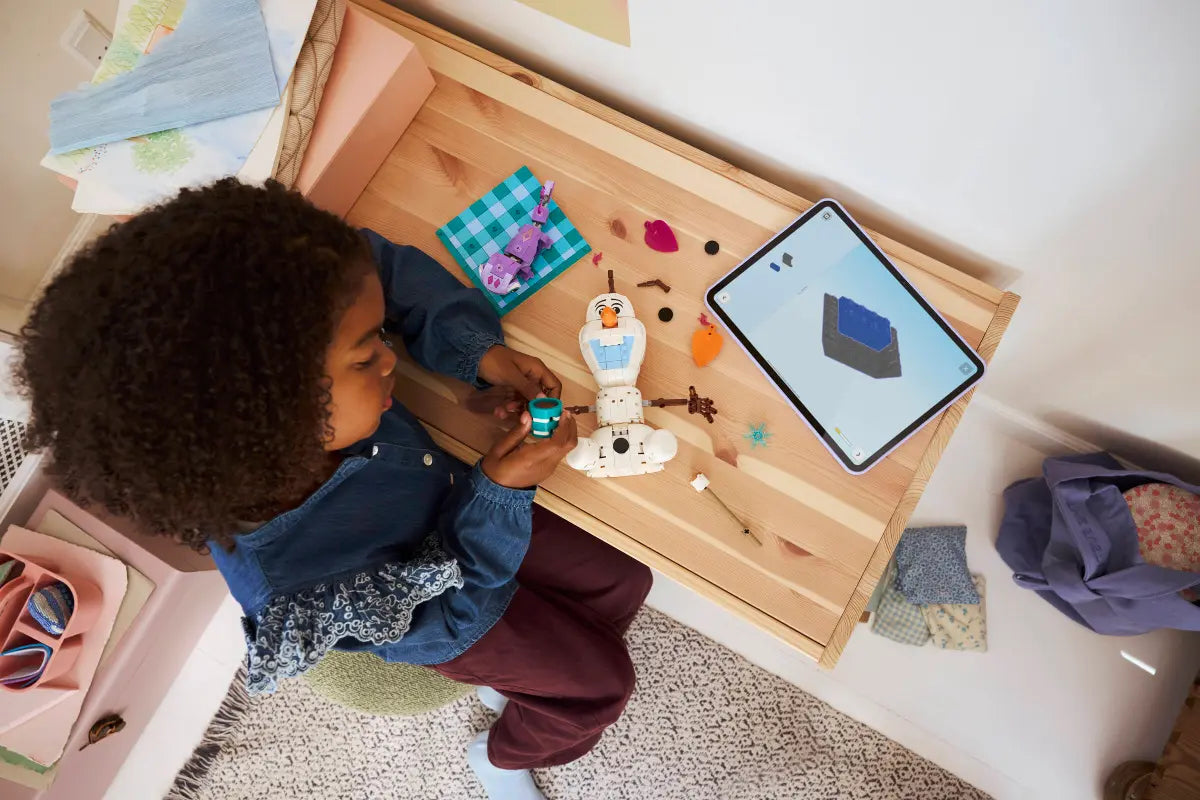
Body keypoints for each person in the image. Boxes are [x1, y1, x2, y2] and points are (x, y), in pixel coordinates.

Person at [16, 178, 652, 799]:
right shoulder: (291, 583)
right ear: (275, 422)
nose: (389, 357)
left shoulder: (299, 313)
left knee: (625, 577)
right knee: (599, 686)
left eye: (376, 338)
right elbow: (447, 618)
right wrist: (500, 492)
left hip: (461, 506)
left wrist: (478, 355)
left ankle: (527, 682)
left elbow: (375, 272)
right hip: (452, 608)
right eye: (365, 355)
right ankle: (500, 756)